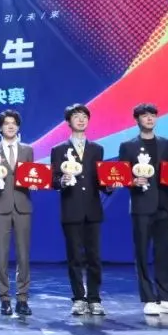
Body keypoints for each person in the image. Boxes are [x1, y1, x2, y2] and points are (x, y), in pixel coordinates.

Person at [118, 104, 168, 316]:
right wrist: (132, 181)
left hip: (165, 204)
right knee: (142, 252)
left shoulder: (165, 143)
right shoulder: (128, 146)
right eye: (145, 116)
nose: (149, 119)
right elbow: (120, 175)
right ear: (137, 120)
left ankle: (165, 298)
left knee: (165, 253)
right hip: (141, 205)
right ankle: (148, 298)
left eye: (153, 115)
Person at [51, 104, 108, 316]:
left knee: (94, 257)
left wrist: (111, 184)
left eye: (84, 116)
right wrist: (62, 181)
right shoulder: (58, 150)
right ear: (68, 122)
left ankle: (94, 298)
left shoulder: (97, 149)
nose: (81, 119)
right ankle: (78, 298)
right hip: (71, 208)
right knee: (75, 257)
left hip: (92, 209)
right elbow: (53, 181)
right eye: (76, 116)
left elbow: (101, 180)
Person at [0, 109, 34, 317]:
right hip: (0, 206)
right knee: (1, 255)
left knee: (23, 255)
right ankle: (4, 298)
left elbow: (32, 174)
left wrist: (35, 182)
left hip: (23, 205)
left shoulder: (27, 150)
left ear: (18, 127)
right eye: (6, 123)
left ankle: (22, 298)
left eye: (14, 123)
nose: (10, 126)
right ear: (0, 127)